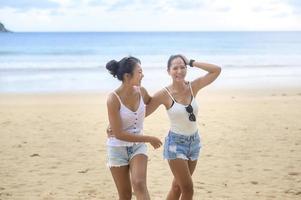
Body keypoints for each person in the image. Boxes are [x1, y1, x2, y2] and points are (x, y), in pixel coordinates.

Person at [145, 55, 221, 200]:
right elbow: (142, 113)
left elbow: (216, 70)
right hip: (175, 145)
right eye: (175, 68)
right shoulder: (164, 94)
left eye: (182, 67)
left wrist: (191, 62)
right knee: (188, 189)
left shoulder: (193, 86)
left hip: (194, 143)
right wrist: (115, 124)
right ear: (168, 71)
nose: (179, 71)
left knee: (177, 187)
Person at [106, 56, 162, 200]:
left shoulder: (141, 92)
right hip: (117, 148)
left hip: (138, 146)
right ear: (127, 76)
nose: (143, 75)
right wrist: (149, 138)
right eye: (139, 72)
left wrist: (170, 92)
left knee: (139, 184)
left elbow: (154, 101)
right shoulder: (113, 98)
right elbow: (118, 134)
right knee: (125, 195)